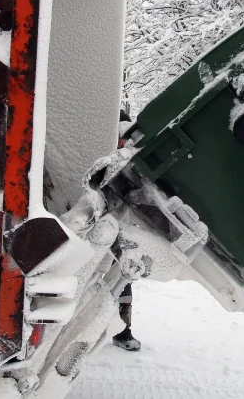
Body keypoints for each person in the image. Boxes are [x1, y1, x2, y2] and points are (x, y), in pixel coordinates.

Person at [112, 109, 142, 351]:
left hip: (121, 224)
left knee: (123, 277)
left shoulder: (131, 160)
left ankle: (123, 330)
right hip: (96, 221)